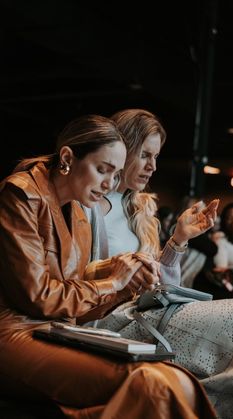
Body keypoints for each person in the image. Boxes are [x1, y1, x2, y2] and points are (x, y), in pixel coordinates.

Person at [0, 114, 216, 419]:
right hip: (13, 335)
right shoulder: (20, 194)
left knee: (176, 378)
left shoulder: (77, 208)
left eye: (115, 174)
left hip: (59, 331)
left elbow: (79, 309)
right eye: (103, 170)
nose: (109, 184)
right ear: (67, 158)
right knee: (152, 383)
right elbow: (38, 297)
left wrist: (127, 285)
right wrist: (111, 282)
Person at [86, 109, 233, 418]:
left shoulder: (141, 210)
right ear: (121, 149)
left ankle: (198, 405)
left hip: (147, 314)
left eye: (156, 157)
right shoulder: (87, 206)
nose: (153, 166)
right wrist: (120, 273)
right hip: (105, 319)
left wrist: (179, 240)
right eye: (145, 155)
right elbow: (77, 282)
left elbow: (165, 289)